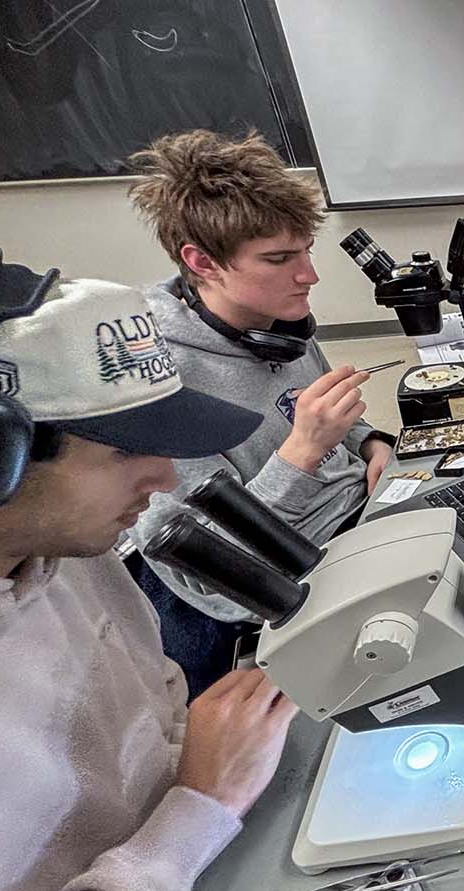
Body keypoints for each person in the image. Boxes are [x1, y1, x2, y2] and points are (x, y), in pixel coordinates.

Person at [0, 250, 298, 891]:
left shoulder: (70, 554)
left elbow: (160, 704)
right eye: (125, 450)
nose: (165, 479)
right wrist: (198, 807)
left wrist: (226, 756)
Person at [123, 129, 394, 694]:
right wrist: (302, 452)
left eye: (306, 251)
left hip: (352, 518)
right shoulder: (151, 378)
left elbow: (329, 416)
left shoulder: (278, 326)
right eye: (279, 258)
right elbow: (205, 556)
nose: (309, 276)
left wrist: (370, 444)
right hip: (269, 580)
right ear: (203, 262)